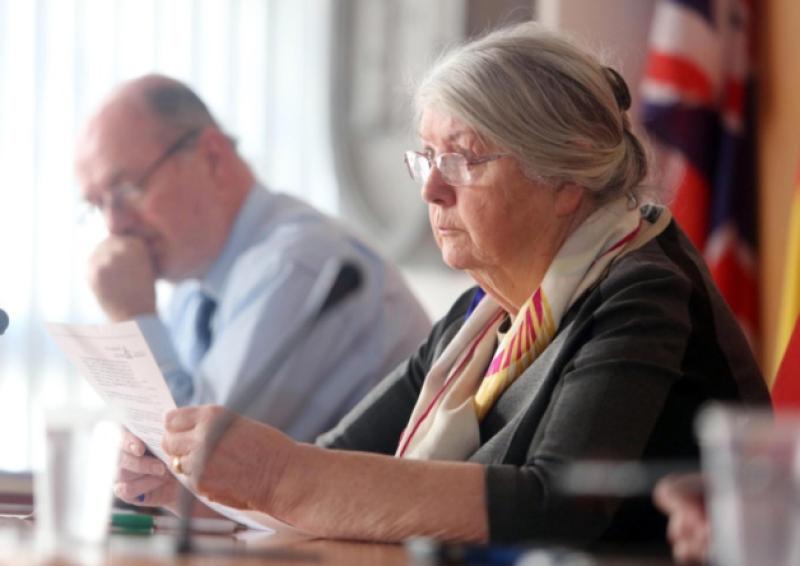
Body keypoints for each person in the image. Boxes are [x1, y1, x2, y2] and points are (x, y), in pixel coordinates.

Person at [114, 23, 770, 547]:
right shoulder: (479, 316)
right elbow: (337, 465)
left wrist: (280, 477)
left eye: (462, 159)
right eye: (427, 157)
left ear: (565, 180)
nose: (431, 187)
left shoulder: (643, 290)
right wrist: (201, 489)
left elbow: (558, 503)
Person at [76, 74, 431, 441]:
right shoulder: (195, 291)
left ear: (212, 158)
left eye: (127, 189)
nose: (115, 225)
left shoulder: (298, 263)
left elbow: (200, 465)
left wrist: (131, 317)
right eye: (97, 204)